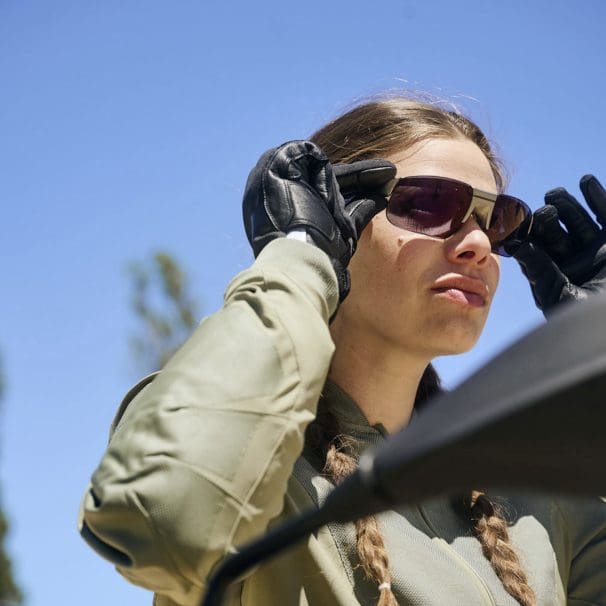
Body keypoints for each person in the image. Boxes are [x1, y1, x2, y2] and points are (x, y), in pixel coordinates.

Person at [79, 96, 606, 606]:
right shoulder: (248, 458)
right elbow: (161, 521)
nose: (478, 245)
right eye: (428, 203)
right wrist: (300, 256)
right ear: (335, 220)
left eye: (496, 220)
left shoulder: (532, 503)